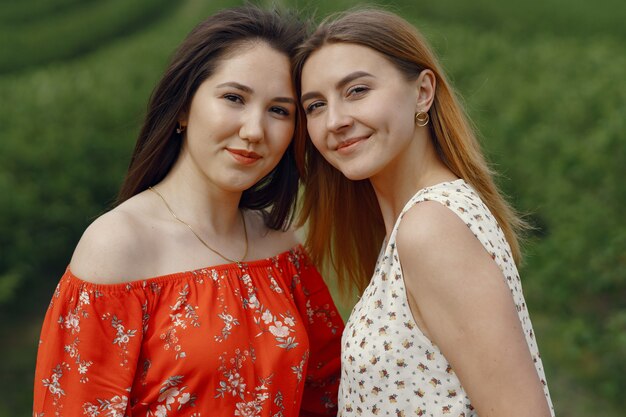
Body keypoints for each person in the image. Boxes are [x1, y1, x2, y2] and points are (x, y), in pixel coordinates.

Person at [33, 6, 344, 416]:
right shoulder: (117, 246)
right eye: (234, 98)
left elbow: (329, 391)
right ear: (183, 107)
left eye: (279, 110)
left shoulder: (280, 244)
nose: (254, 130)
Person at [294, 8, 554, 417]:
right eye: (315, 106)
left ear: (422, 92)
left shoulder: (432, 228)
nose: (336, 120)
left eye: (357, 90)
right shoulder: (416, 222)